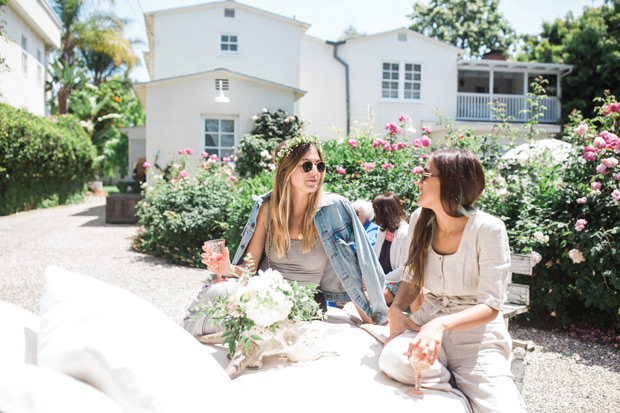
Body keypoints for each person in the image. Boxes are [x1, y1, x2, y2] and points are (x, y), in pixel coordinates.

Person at [183, 135, 388, 336]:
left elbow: (362, 265)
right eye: (306, 165)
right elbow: (250, 269)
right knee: (216, 295)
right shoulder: (267, 208)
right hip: (263, 297)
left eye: (319, 165)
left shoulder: (333, 209)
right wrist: (227, 268)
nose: (315, 171)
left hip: (305, 305)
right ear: (286, 170)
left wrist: (374, 319)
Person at [379, 149, 525, 413]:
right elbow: (412, 277)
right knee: (392, 360)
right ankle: (456, 399)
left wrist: (441, 325)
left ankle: (450, 384)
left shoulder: (489, 229)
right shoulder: (419, 220)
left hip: (476, 339)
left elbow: (491, 305)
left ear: (450, 182)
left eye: (425, 175)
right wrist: (396, 309)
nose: (418, 182)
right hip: (424, 325)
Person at [371, 193, 416, 307]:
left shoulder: (405, 233)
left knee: (372, 301)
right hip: (381, 278)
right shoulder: (382, 230)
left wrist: (382, 280)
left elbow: (403, 268)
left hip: (397, 280)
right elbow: (374, 257)